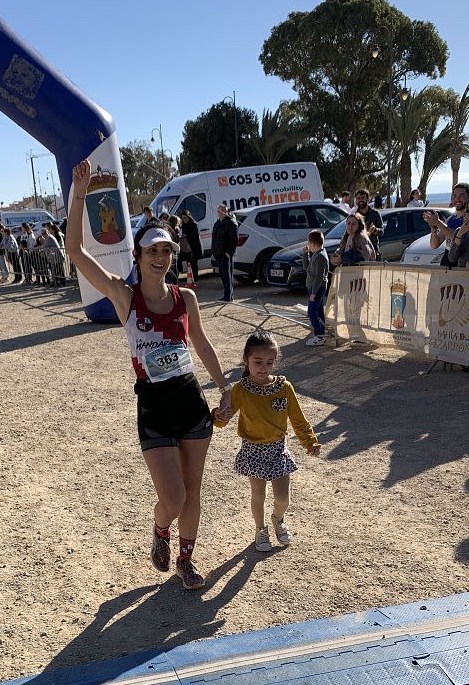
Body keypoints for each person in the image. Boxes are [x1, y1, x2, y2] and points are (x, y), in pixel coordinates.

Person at [67, 158, 232, 590]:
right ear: (138, 256)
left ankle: (186, 560)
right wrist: (79, 193)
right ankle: (161, 530)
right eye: (152, 250)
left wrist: (225, 389)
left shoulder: (186, 299)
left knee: (193, 490)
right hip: (154, 406)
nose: (160, 257)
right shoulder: (125, 297)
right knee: (172, 497)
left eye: (166, 250)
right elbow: (76, 252)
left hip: (191, 402)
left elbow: (202, 344)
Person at [213, 330, 321, 552]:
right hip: (253, 450)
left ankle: (277, 519)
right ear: (246, 360)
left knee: (283, 498)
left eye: (269, 362)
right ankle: (260, 529)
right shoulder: (240, 389)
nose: (263, 367)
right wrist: (217, 416)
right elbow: (223, 419)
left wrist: (310, 441)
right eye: (258, 362)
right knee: (258, 496)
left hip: (278, 449)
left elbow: (297, 418)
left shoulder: (284, 387)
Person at [423, 182, 469, 266]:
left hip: (460, 262)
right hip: (447, 262)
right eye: (454, 195)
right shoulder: (450, 220)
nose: (457, 198)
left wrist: (437, 222)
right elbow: (434, 245)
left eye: (461, 195)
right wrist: (433, 230)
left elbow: (456, 237)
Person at [302, 229, 329, 346]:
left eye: (309, 243)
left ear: (313, 244)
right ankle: (322, 334)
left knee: (311, 312)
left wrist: (313, 293)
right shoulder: (316, 254)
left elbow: (319, 277)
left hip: (317, 288)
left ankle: (318, 335)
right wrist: (305, 254)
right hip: (313, 288)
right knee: (319, 311)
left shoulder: (321, 257)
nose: (308, 245)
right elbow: (306, 268)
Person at [211, 203, 238, 302]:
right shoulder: (217, 224)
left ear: (226, 212)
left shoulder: (230, 223)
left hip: (225, 254)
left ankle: (229, 296)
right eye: (219, 211)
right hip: (218, 253)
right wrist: (213, 251)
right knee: (222, 275)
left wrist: (229, 252)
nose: (220, 213)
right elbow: (214, 239)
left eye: (222, 211)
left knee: (227, 275)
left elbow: (234, 239)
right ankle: (227, 294)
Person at [352, 189, 383, 257]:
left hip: (373, 250)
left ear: (368, 199)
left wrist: (375, 230)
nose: (360, 200)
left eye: (363, 198)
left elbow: (382, 232)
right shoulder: (354, 216)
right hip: (358, 252)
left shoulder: (375, 214)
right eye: (358, 198)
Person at [179, 210, 202, 282]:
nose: (184, 220)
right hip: (186, 248)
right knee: (189, 264)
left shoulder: (194, 224)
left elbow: (195, 236)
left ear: (189, 217)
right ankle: (191, 278)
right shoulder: (183, 225)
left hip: (194, 248)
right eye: (183, 218)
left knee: (194, 264)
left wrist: (186, 236)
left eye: (185, 218)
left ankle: (195, 278)